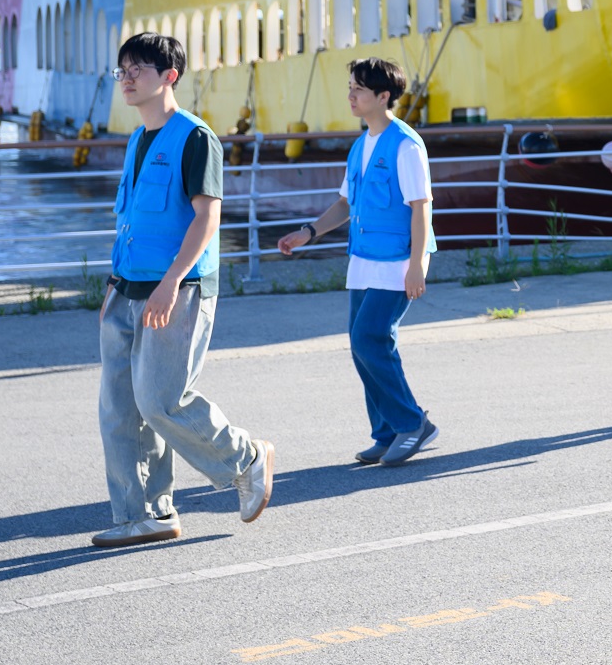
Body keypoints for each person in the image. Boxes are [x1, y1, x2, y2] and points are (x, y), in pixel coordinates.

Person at [93, 32, 274, 548]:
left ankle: (246, 458)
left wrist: (171, 282)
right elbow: (130, 221)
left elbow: (207, 217)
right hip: (126, 291)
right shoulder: (136, 139)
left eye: (137, 70)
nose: (126, 79)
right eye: (122, 70)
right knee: (120, 410)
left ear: (169, 76)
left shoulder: (194, 137)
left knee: (161, 400)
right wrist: (112, 287)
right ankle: (144, 514)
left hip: (177, 288)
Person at [278, 59, 439, 465]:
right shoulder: (360, 144)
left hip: (398, 261)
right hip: (364, 260)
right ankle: (386, 432)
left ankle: (411, 423)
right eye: (350, 86)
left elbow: (421, 209)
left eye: (359, 89)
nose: (351, 95)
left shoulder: (405, 144)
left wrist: (417, 264)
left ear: (384, 96)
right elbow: (346, 203)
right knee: (363, 345)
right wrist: (308, 232)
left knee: (370, 338)